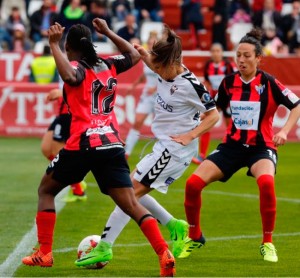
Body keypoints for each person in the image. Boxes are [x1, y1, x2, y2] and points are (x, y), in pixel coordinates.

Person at [21, 19, 175, 277]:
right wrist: (109, 31)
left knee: (46, 190)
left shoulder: (76, 66)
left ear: (70, 48)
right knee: (131, 204)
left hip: (83, 143)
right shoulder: (108, 63)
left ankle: (44, 252)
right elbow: (135, 54)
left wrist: (53, 45)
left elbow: (70, 76)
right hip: (111, 143)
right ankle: (163, 252)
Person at [75, 24, 219, 268]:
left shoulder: (191, 85)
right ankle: (175, 225)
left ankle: (104, 247)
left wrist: (190, 135)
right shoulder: (164, 68)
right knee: (132, 191)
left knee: (127, 195)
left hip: (174, 150)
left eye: (159, 67)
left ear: (172, 62)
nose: (156, 71)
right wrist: (109, 33)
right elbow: (140, 54)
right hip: (163, 146)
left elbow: (213, 115)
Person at [178, 28, 300, 262]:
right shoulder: (228, 83)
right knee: (193, 184)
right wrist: (193, 127)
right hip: (231, 146)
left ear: (258, 58)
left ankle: (267, 243)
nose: (241, 60)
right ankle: (195, 236)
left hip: (261, 148)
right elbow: (215, 112)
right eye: (238, 56)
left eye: (246, 55)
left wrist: (284, 130)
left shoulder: (270, 83)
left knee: (266, 183)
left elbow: (296, 105)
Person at [40, 78, 87, 202]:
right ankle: (78, 183)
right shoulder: (64, 60)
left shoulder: (78, 62)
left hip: (70, 113)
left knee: (59, 153)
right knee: (46, 149)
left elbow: (85, 84)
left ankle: (78, 190)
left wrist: (61, 92)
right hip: (61, 112)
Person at [192, 43, 236, 164]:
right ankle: (202, 155)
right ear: (211, 53)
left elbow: (234, 81)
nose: (216, 53)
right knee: (207, 124)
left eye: (218, 51)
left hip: (227, 98)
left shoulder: (228, 65)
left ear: (222, 53)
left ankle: (232, 152)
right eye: (214, 51)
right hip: (214, 99)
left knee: (230, 127)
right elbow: (207, 82)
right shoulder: (208, 65)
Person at [124, 33, 158, 159]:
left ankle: (163, 153)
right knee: (137, 122)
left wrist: (156, 88)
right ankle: (126, 153)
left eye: (153, 43)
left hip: (161, 97)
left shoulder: (162, 58)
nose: (151, 46)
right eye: (149, 43)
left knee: (161, 126)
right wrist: (133, 85)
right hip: (147, 96)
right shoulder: (145, 58)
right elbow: (145, 75)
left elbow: (168, 77)